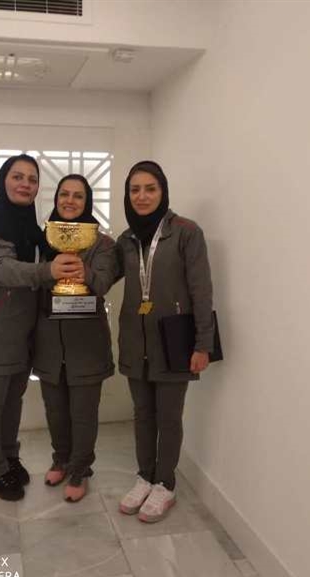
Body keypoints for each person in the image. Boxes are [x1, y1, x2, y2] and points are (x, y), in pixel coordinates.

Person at [0, 155, 82, 502]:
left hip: (18, 336)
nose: (25, 184)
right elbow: (1, 270)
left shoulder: (28, 225)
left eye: (32, 179)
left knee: (12, 402)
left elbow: (48, 257)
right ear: (3, 180)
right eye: (18, 176)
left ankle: (9, 457)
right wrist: (48, 271)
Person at [117, 160, 214, 522]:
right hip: (135, 339)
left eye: (150, 188)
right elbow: (104, 275)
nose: (142, 196)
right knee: (142, 414)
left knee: (169, 417)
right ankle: (145, 477)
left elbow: (201, 291)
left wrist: (202, 344)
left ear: (163, 191)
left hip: (174, 341)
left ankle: (165, 484)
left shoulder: (187, 232)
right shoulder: (126, 240)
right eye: (135, 190)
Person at [32, 174, 119, 502]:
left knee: (83, 413)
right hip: (49, 341)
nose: (70, 201)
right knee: (55, 410)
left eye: (78, 196)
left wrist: (83, 270)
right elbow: (33, 282)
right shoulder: (42, 239)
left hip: (86, 343)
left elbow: (104, 283)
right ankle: (61, 459)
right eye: (64, 194)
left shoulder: (102, 243)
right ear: (56, 199)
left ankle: (81, 469)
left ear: (87, 202)